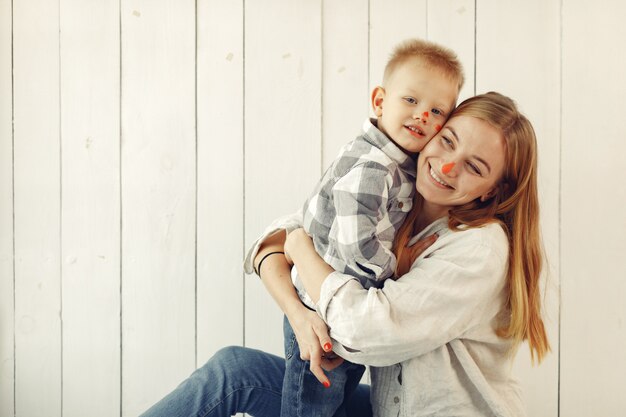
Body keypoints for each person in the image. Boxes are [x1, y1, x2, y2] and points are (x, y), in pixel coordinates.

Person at [139, 91, 550, 417]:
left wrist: (300, 246)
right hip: (390, 408)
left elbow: (364, 331)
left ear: (493, 190)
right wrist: (300, 317)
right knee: (233, 372)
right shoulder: (395, 193)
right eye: (447, 141)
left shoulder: (479, 247)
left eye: (474, 167)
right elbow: (269, 244)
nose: (446, 167)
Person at [270, 38, 463, 417]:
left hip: (339, 308)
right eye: (411, 100)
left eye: (436, 109)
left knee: (335, 404)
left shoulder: (399, 163)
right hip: (320, 314)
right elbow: (357, 243)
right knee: (312, 407)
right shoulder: (374, 167)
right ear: (379, 101)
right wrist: (398, 268)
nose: (422, 115)